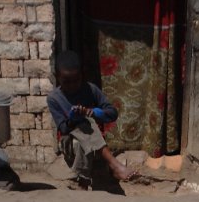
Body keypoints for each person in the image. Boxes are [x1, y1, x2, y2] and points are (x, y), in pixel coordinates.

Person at [47, 51, 138, 188]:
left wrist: (94, 113)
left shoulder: (90, 89)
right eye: (66, 82)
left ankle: (83, 179)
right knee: (84, 124)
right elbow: (63, 128)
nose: (72, 85)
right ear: (57, 77)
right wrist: (74, 119)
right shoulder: (53, 98)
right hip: (69, 142)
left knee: (87, 123)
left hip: (90, 137)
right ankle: (114, 164)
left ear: (81, 76)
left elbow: (112, 113)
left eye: (76, 80)